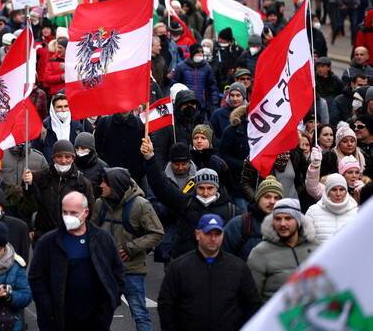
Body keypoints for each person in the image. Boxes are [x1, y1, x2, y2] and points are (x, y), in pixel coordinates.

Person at [29, 191, 124, 331]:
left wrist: (109, 304)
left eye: (73, 213)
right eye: (64, 212)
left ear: (85, 212)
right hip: (59, 320)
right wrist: (48, 307)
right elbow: (36, 278)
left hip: (96, 321)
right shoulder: (48, 242)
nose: (68, 217)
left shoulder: (102, 239)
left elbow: (117, 273)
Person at [142, 136, 240, 261]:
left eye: (210, 188)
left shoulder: (231, 210)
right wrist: (150, 158)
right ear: (196, 188)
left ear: (217, 188)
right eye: (201, 188)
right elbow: (162, 188)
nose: (205, 193)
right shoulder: (186, 203)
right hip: (187, 264)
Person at [157, 214, 261, 331]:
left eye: (217, 234)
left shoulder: (238, 267)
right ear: (197, 234)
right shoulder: (178, 267)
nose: (213, 238)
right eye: (208, 234)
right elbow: (166, 305)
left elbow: (252, 304)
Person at [91, 168, 164, 331]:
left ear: (115, 185)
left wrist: (130, 248)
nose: (101, 185)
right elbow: (91, 231)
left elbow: (157, 233)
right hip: (105, 270)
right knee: (100, 315)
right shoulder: (100, 203)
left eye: (105, 182)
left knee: (140, 314)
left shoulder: (140, 205)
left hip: (131, 270)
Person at [247, 198, 317, 302]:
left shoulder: (315, 248)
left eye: (288, 218)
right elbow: (252, 298)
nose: (282, 224)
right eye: (278, 219)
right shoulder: (260, 253)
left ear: (298, 221)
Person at [29, 140, 96, 241]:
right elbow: (29, 205)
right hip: (45, 237)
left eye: (67, 157)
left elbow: (90, 213)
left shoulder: (82, 183)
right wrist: (27, 184)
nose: (63, 161)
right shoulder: (40, 177)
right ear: (53, 158)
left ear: (73, 158)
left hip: (71, 237)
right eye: (59, 156)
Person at [223, 176, 284, 260]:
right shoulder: (240, 224)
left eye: (276, 198)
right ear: (258, 198)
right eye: (267, 197)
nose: (272, 202)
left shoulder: (287, 226)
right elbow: (224, 258)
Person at [305, 173, 359, 243]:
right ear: (327, 191)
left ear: (346, 191)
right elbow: (305, 241)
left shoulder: (356, 211)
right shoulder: (313, 211)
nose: (338, 194)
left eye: (342, 189)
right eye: (334, 189)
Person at [36, 95, 83, 163]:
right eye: (59, 107)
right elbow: (37, 151)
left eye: (66, 106)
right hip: (50, 170)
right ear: (53, 108)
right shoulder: (44, 127)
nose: (63, 110)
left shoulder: (77, 127)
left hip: (73, 169)